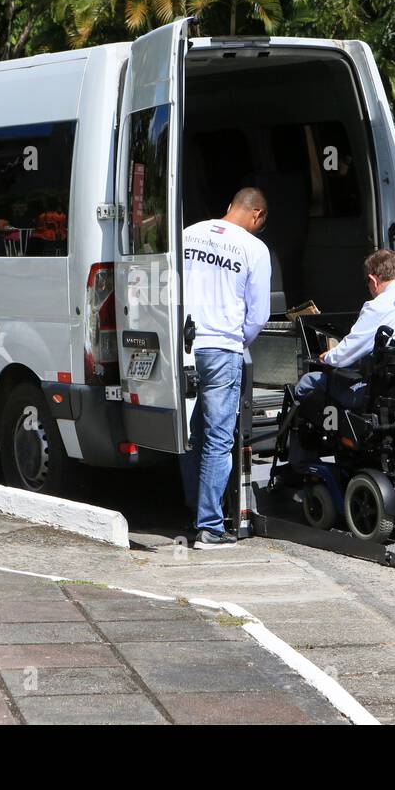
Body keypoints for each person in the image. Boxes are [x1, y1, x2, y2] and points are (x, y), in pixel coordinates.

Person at [288, 249, 395, 467]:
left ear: (373, 280)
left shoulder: (379, 306)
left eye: (368, 286)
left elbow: (343, 357)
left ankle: (301, 466)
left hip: (389, 401)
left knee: (308, 383)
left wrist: (326, 357)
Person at [179, 187, 271, 549]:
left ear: (229, 206)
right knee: (218, 439)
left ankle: (194, 515)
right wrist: (239, 341)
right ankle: (210, 527)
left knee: (190, 435)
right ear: (256, 215)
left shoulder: (187, 235)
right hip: (221, 348)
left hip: (184, 346)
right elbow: (259, 314)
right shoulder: (254, 248)